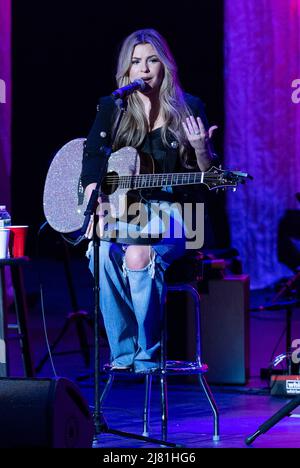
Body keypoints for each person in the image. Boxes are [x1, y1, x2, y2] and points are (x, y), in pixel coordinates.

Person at [80, 28, 218, 373]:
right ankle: (123, 352)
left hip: (177, 213)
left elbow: (209, 180)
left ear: (165, 66)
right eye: (136, 62)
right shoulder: (113, 109)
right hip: (126, 212)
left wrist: (201, 148)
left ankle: (149, 352)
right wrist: (94, 204)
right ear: (126, 72)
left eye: (151, 60)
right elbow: (92, 161)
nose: (144, 69)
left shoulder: (189, 108)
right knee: (99, 251)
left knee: (138, 252)